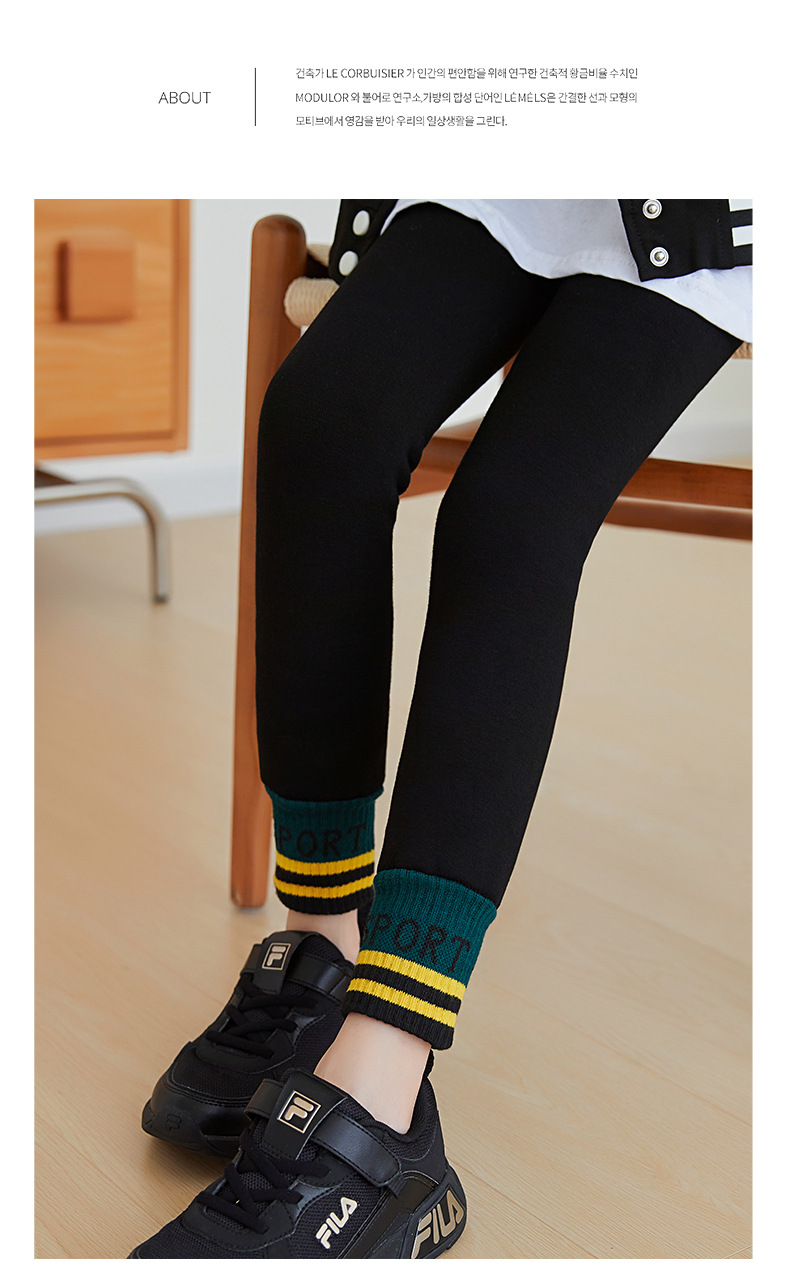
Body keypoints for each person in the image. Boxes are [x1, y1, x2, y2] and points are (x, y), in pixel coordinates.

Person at [129, 199, 752, 1259]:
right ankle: (325, 931)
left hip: (711, 208)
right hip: (530, 161)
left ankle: (387, 1075)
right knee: (321, 420)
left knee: (511, 514)